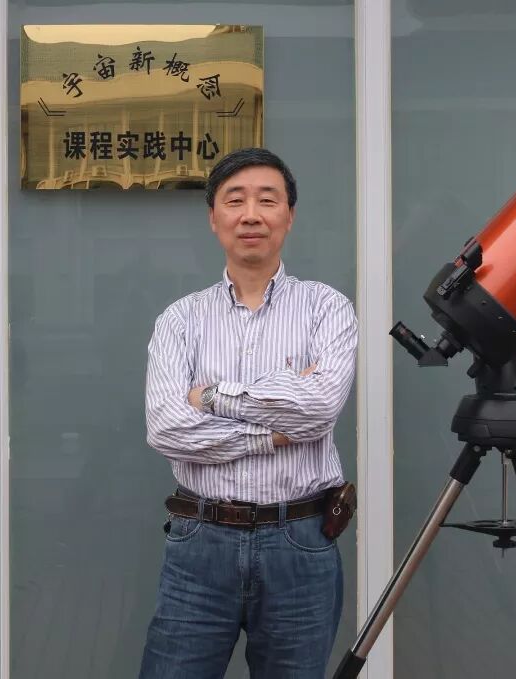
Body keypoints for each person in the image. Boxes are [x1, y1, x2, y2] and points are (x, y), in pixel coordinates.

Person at [139, 147, 358, 679]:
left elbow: (318, 411)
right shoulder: (181, 320)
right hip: (200, 543)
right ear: (214, 217)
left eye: (267, 200)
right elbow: (166, 428)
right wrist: (272, 427)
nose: (251, 215)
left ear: (290, 215)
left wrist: (212, 397)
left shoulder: (326, 308)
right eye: (235, 200)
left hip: (299, 542)